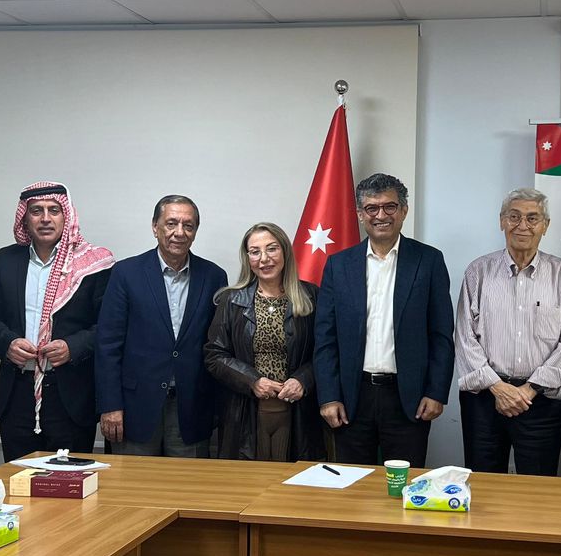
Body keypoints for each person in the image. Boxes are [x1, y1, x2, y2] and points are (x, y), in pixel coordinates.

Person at [314, 173, 454, 466]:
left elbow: (441, 334)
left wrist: (436, 391)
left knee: (404, 485)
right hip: (352, 398)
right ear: (360, 213)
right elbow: (325, 338)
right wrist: (329, 396)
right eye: (372, 208)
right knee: (354, 483)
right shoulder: (339, 265)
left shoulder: (428, 261)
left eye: (389, 206)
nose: (381, 215)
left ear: (403, 210)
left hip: (408, 398)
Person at [454, 188, 561, 476]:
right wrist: (498, 388)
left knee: (537, 488)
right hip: (485, 400)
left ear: (545, 226)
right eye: (514, 217)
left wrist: (528, 390)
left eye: (532, 218)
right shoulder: (478, 272)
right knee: (483, 483)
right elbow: (464, 338)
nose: (522, 225)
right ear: (502, 221)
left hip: (540, 402)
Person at [0, 181, 114, 462]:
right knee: (18, 481)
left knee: (69, 483)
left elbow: (108, 327)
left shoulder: (93, 263)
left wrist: (72, 347)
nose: (45, 218)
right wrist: (8, 344)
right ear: (25, 219)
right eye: (36, 211)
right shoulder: (7, 259)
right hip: (17, 393)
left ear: (67, 216)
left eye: (54, 210)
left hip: (70, 396)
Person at [96, 194, 227, 456]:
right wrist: (110, 405)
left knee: (186, 482)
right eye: (171, 223)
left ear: (195, 231)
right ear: (155, 227)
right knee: (132, 482)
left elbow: (218, 346)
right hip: (134, 408)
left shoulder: (214, 276)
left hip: (192, 408)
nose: (179, 232)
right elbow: (108, 344)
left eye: (188, 225)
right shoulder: (126, 273)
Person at [205, 222, 324, 462]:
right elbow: (214, 355)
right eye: (255, 251)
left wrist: (303, 380)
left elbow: (325, 352)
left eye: (272, 249)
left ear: (285, 252)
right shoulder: (231, 300)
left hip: (299, 414)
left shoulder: (311, 296)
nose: (264, 259)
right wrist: (252, 380)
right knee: (249, 481)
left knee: (292, 481)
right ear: (247, 258)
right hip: (244, 414)